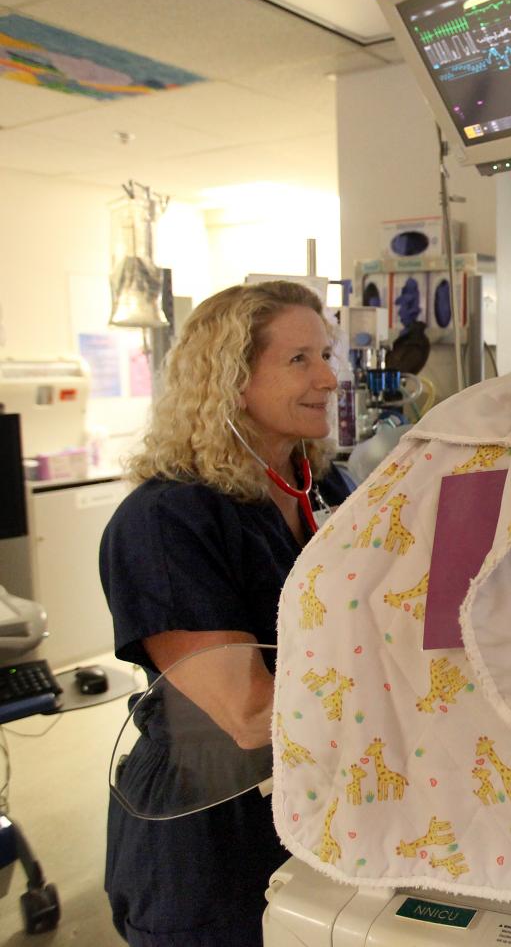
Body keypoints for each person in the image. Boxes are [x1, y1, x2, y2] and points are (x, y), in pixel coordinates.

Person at [100, 281, 352, 946]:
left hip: (314, 795)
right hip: (208, 828)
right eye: (299, 359)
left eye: (325, 353)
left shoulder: (327, 486)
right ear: (231, 380)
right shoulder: (164, 522)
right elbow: (247, 712)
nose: (329, 377)